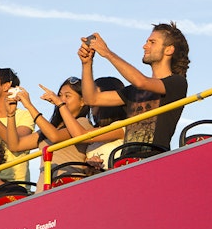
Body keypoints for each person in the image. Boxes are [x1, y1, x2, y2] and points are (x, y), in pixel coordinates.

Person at [79, 22, 190, 154]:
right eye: (146, 41)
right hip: (126, 162)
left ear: (169, 50)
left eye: (152, 42)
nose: (145, 46)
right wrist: (87, 63)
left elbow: (141, 81)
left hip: (155, 159)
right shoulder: (133, 90)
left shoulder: (177, 82)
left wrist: (107, 53)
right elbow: (91, 99)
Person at [3, 77, 94, 193]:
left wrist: (29, 106)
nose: (61, 99)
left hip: (69, 187)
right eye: (60, 95)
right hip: (44, 190)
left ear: (82, 101)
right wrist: (10, 114)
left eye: (67, 96)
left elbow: (55, 136)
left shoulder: (82, 123)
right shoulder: (51, 127)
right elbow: (15, 146)